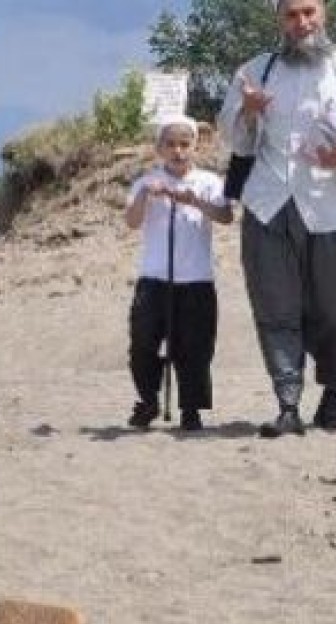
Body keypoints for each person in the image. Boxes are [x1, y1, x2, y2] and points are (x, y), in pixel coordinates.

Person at [218, 0, 336, 438]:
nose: (301, 23)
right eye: (291, 15)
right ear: (279, 20)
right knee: (274, 307)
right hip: (269, 203)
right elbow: (233, 137)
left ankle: (335, 392)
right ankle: (287, 405)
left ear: (324, 14)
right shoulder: (256, 70)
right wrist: (248, 111)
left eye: (308, 12)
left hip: (333, 207)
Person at [123, 116, 234, 432]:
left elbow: (225, 216)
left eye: (185, 144)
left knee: (195, 347)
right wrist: (145, 195)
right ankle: (148, 400)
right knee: (143, 342)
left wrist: (194, 200)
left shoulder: (208, 182)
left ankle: (191, 409)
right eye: (170, 144)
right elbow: (131, 221)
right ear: (159, 148)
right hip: (154, 277)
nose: (178, 151)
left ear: (195, 147)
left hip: (196, 278)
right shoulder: (147, 181)